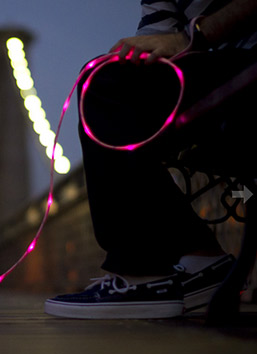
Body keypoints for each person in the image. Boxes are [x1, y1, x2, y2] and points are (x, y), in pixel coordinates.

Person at [45, 0, 257, 319]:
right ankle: (199, 260)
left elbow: (180, 40)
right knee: (106, 77)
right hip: (221, 67)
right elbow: (161, 36)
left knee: (105, 88)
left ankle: (142, 272)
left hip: (247, 64)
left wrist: (191, 37)